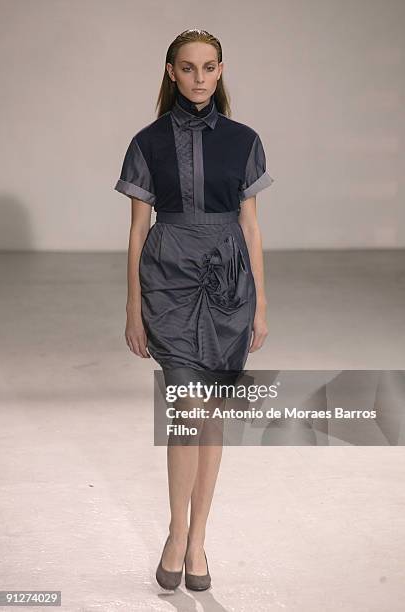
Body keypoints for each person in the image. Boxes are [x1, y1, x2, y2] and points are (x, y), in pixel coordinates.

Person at [114, 28, 274, 591]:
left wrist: (260, 304)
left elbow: (251, 226)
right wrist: (133, 308)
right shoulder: (147, 142)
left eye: (209, 68)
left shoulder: (244, 140)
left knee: (210, 417)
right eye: (188, 68)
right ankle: (176, 530)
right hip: (169, 279)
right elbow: (136, 233)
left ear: (221, 71)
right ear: (170, 72)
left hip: (230, 283)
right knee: (186, 409)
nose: (199, 78)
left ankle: (200, 538)